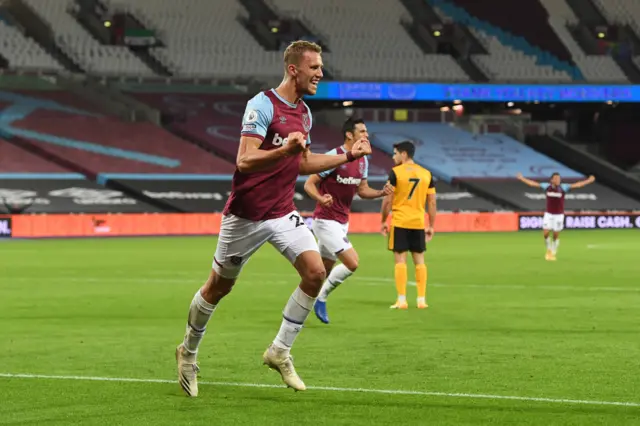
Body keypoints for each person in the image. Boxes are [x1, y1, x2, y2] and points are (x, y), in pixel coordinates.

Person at [175, 40, 372, 397]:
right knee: (219, 288)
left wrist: (345, 155)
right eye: (314, 68)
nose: (320, 74)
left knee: (315, 272)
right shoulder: (262, 104)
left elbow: (302, 163)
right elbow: (244, 160)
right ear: (294, 69)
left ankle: (279, 351)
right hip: (246, 215)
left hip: (283, 212)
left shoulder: (305, 113)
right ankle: (187, 352)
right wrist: (284, 148)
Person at [304, 118, 392, 324]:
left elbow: (362, 190)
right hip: (325, 221)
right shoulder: (333, 157)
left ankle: (299, 306)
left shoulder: (363, 160)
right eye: (362, 131)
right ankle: (321, 299)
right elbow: (309, 184)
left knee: (319, 274)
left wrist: (381, 192)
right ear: (349, 135)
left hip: (342, 222)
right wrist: (320, 198)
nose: (366, 135)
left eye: (366, 131)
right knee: (352, 263)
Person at [381, 141, 436, 310]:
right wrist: (431, 225)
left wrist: (383, 220)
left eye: (395, 153)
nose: (393, 156)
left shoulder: (395, 173)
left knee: (400, 260)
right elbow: (432, 202)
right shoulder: (426, 174)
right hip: (418, 222)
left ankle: (402, 299)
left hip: (400, 221)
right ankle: (421, 300)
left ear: (404, 154)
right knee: (419, 260)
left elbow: (388, 199)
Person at [516, 172, 595, 260]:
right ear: (552, 180)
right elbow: (533, 184)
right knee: (545, 233)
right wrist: (522, 178)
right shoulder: (547, 186)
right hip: (548, 214)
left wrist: (589, 180)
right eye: (556, 178)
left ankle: (554, 249)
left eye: (559, 178)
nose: (558, 180)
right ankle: (549, 250)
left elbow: (578, 185)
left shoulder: (563, 187)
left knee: (555, 235)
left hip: (559, 215)